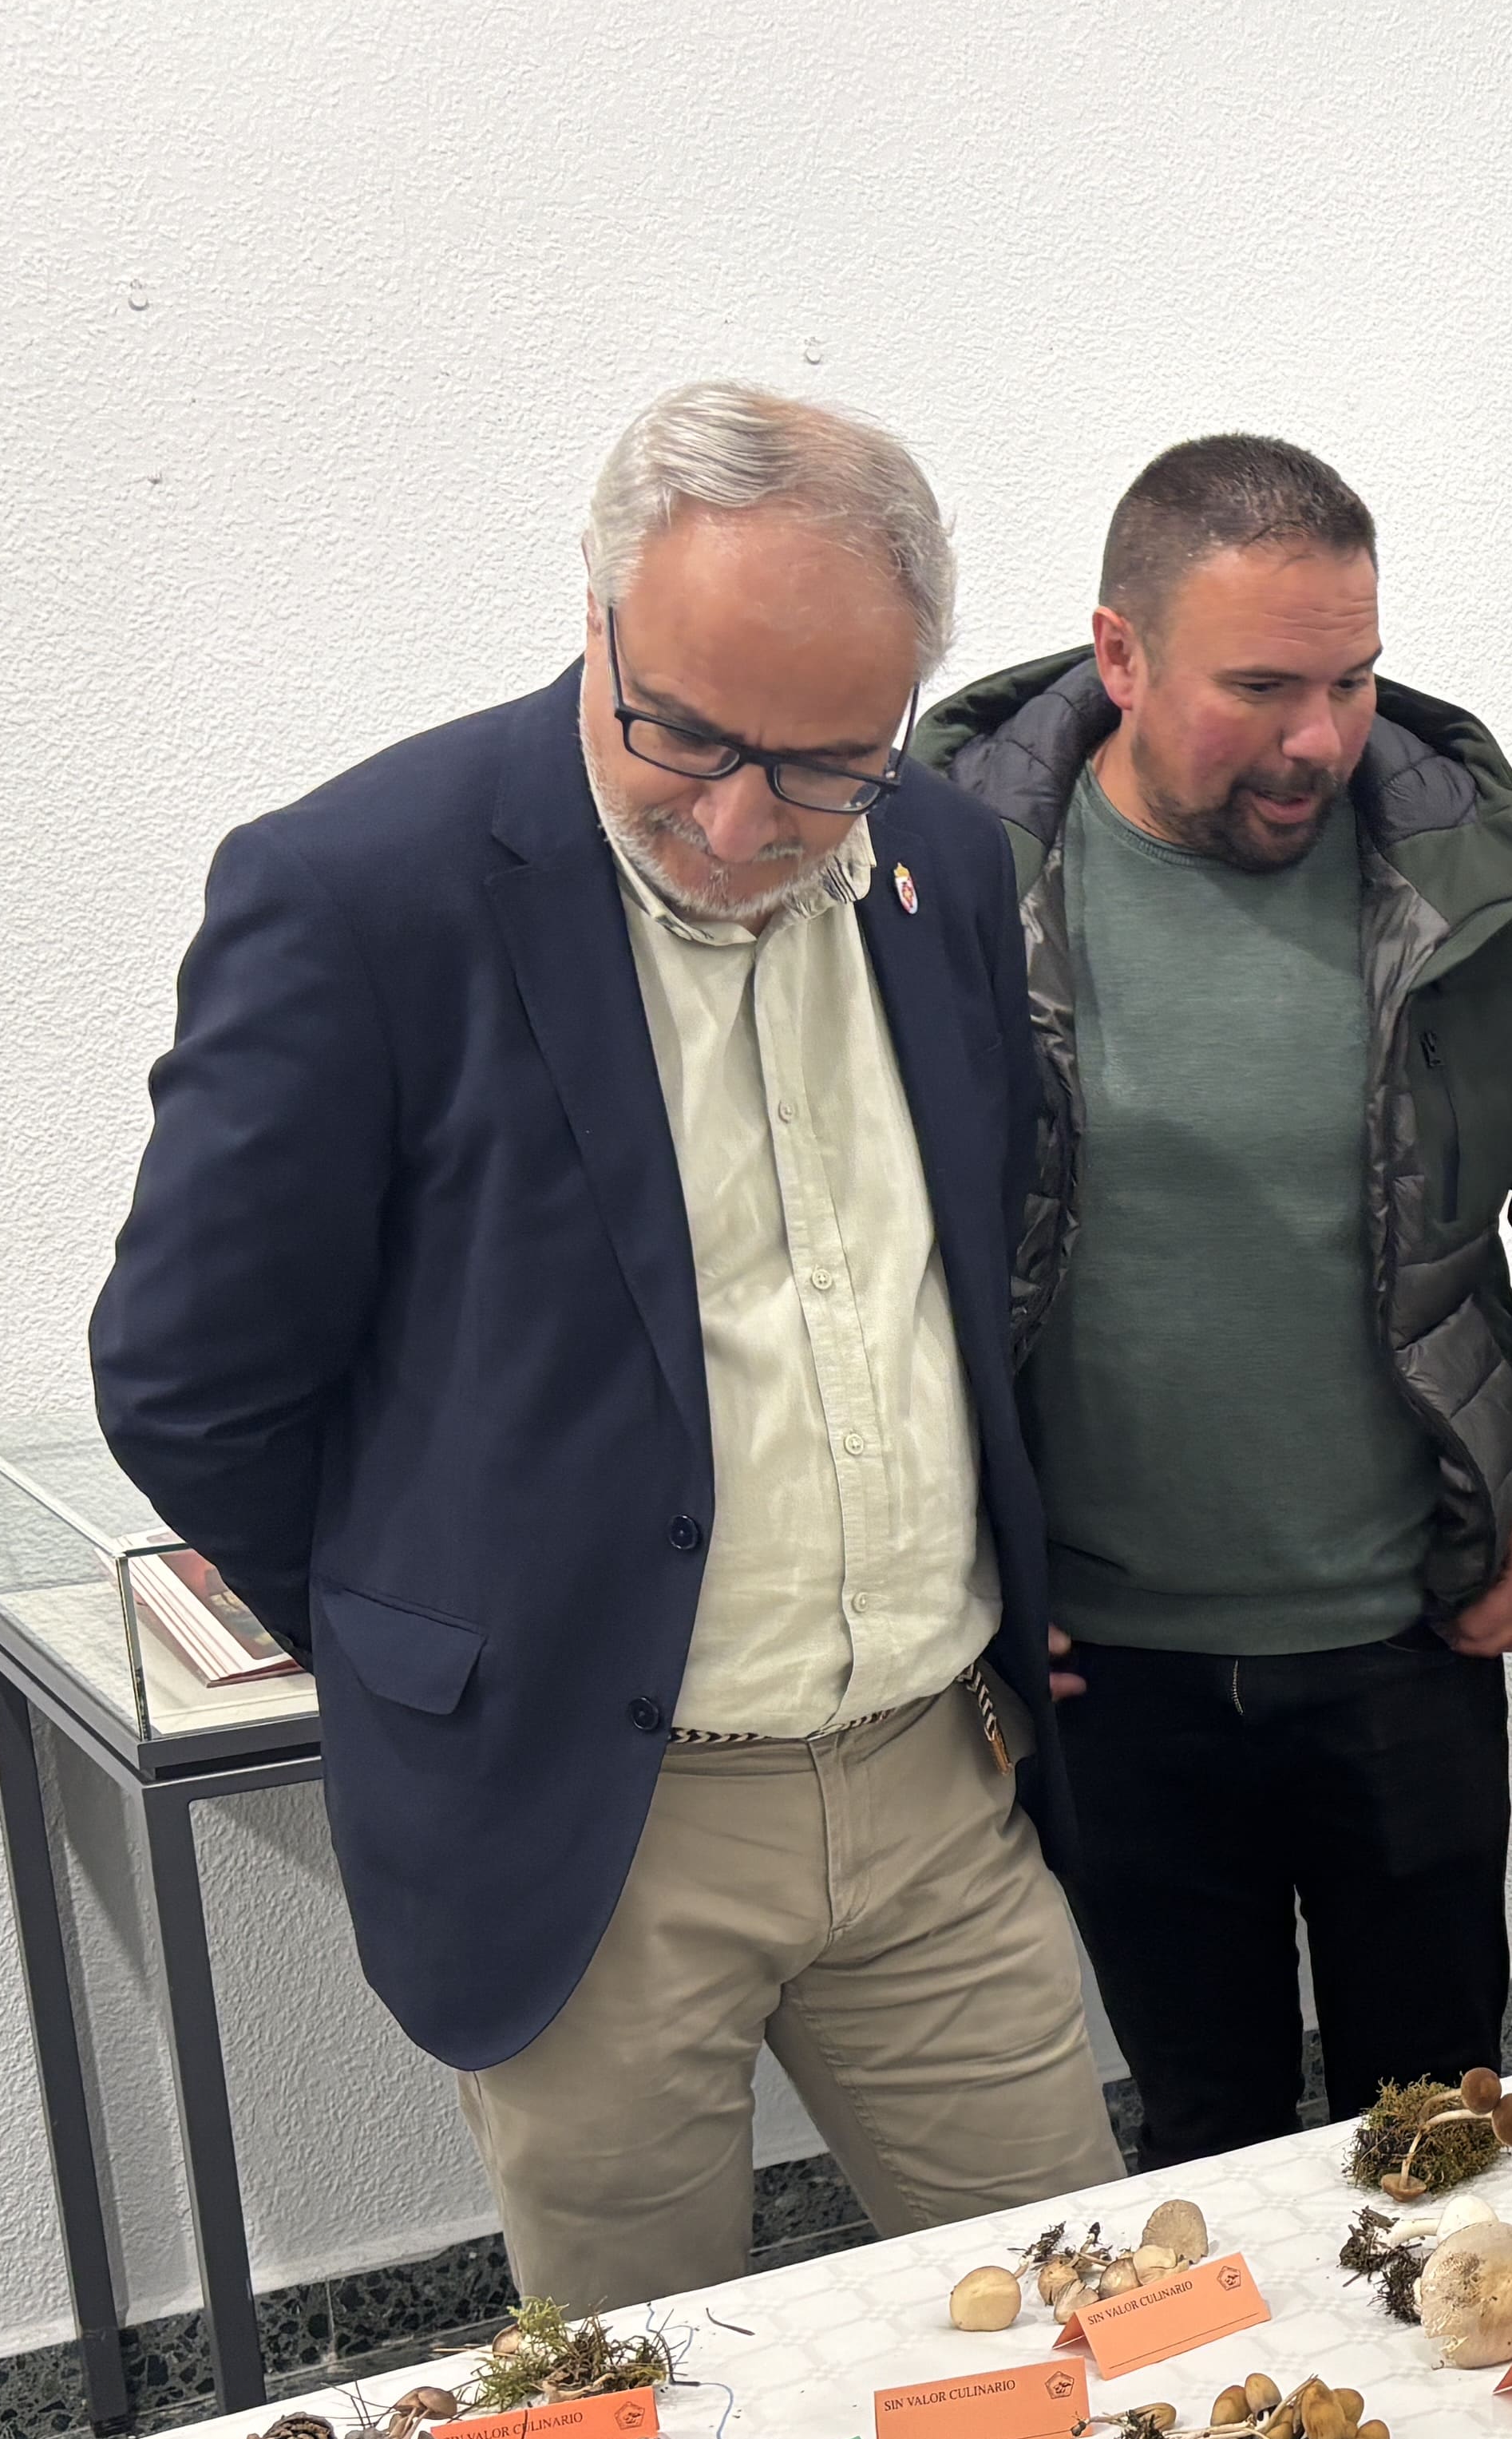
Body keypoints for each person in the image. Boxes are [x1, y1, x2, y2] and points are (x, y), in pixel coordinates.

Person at [92, 384, 1119, 2307]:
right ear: (596, 618)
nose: (741, 823)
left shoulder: (946, 872)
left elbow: (969, 1260)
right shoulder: (364, 891)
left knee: (1074, 2331)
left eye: (823, 766)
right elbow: (186, 1375)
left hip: (929, 1776)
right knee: (644, 2416)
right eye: (685, 735)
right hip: (601, 1818)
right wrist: (439, 1641)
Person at [918, 437, 1512, 2162]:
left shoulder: (1473, 891)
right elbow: (868, 1263)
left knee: (1443, 2135)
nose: (1318, 741)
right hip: (1104, 1672)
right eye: (1259, 687)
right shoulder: (946, 889)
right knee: (1205, 2133)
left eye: (1351, 680)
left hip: (1406, 1638)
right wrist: (961, 1567)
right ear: (1120, 657)